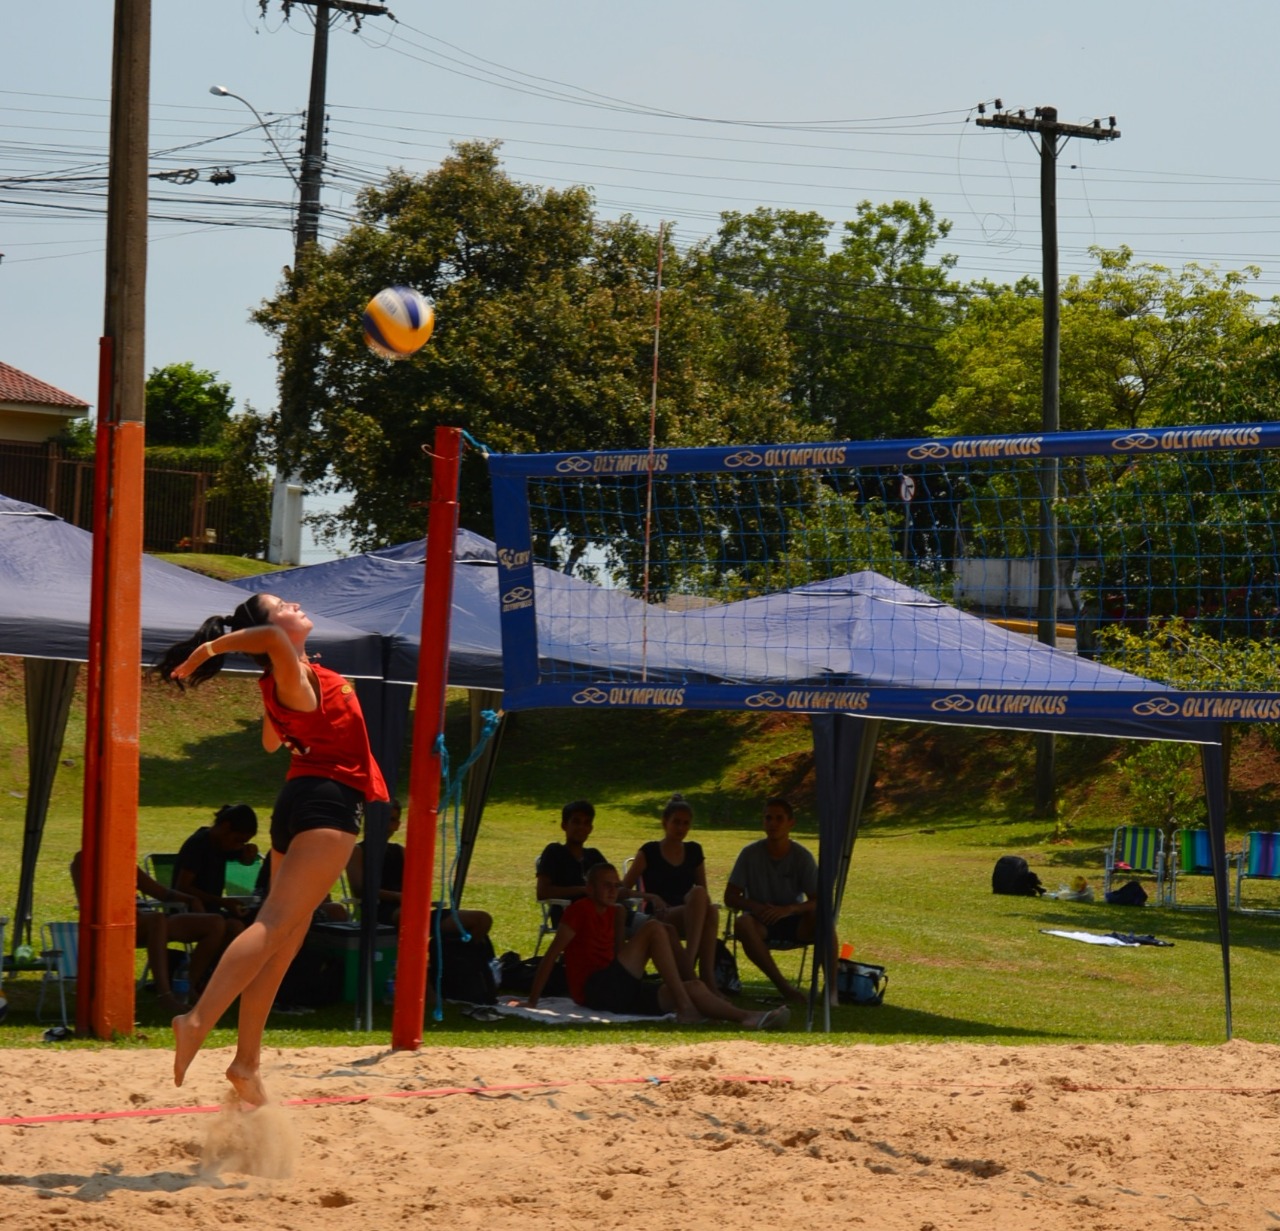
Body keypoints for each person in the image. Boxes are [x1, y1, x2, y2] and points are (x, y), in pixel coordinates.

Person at [156, 591, 388, 1106]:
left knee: (286, 935)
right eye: (281, 603)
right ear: (268, 628)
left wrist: (286, 710)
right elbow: (270, 640)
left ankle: (247, 1062)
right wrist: (208, 652)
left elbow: (268, 741)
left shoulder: (293, 673)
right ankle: (195, 1020)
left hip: (299, 800)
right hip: (325, 804)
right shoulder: (289, 665)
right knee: (273, 927)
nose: (296, 604)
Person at [528, 861, 788, 1029]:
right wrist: (532, 1001)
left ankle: (748, 1017)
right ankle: (686, 1007)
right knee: (654, 929)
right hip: (594, 990)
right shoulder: (578, 911)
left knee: (693, 984)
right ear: (590, 888)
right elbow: (551, 956)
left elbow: (618, 956)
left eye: (615, 886)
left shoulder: (615, 912)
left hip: (617, 988)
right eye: (606, 886)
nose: (612, 890)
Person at [70, 852, 229, 1016]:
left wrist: (191, 899)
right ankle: (165, 995)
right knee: (157, 920)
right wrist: (124, 910)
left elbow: (161, 893)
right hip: (119, 922)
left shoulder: (121, 857)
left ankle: (190, 987)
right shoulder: (84, 860)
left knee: (215, 922)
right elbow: (88, 903)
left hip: (148, 918)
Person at [724, 795, 839, 1006]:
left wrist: (790, 909)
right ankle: (784, 988)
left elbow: (819, 900)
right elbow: (730, 896)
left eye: (779, 818)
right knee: (742, 924)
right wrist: (755, 907)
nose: (773, 824)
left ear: (790, 823)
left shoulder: (801, 856)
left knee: (823, 918)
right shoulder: (749, 854)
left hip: (794, 922)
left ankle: (832, 990)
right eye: (768, 818)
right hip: (761, 921)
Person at [346, 798, 491, 939]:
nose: (386, 825)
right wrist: (397, 896)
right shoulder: (358, 851)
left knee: (482, 919)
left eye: (391, 820)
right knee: (411, 916)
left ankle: (459, 959)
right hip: (378, 911)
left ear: (397, 825)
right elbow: (360, 889)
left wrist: (419, 897)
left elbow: (418, 885)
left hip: (413, 911)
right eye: (381, 819)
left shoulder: (401, 851)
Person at [621, 793, 718, 990]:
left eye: (685, 823)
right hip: (659, 915)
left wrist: (695, 903)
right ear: (665, 822)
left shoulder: (694, 851)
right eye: (676, 822)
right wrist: (650, 896)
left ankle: (703, 976)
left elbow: (703, 894)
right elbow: (622, 890)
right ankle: (692, 973)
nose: (681, 828)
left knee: (708, 905)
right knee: (702, 900)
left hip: (688, 914)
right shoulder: (649, 851)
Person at [173, 803, 261, 926]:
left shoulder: (222, 844)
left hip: (212, 911)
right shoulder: (199, 844)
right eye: (237, 840)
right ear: (226, 827)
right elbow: (182, 887)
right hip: (189, 910)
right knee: (233, 927)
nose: (238, 846)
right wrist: (222, 902)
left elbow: (244, 859)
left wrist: (249, 855)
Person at [535, 799, 607, 927]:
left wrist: (648, 896)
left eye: (586, 823)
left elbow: (615, 885)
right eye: (576, 822)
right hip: (569, 916)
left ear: (590, 828)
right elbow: (542, 892)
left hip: (603, 914)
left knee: (647, 925)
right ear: (564, 825)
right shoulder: (554, 852)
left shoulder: (594, 856)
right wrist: (582, 890)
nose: (581, 827)